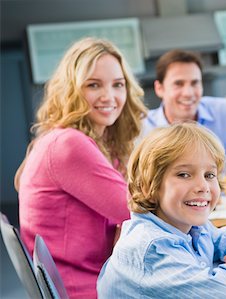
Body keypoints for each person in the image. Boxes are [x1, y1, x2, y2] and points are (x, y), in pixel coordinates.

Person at [15, 37, 148, 298]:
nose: (109, 96)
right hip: (87, 288)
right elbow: (137, 209)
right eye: (93, 85)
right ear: (72, 91)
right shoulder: (69, 145)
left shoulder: (78, 140)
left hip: (96, 278)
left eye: (118, 85)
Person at [97, 123, 226, 298]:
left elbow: (221, 238)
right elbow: (224, 292)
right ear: (148, 187)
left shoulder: (189, 226)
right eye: (184, 174)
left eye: (209, 175)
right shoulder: (152, 248)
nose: (203, 186)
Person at [137, 49, 226, 157]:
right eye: (178, 84)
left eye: (194, 83)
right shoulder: (141, 129)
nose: (188, 93)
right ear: (159, 88)